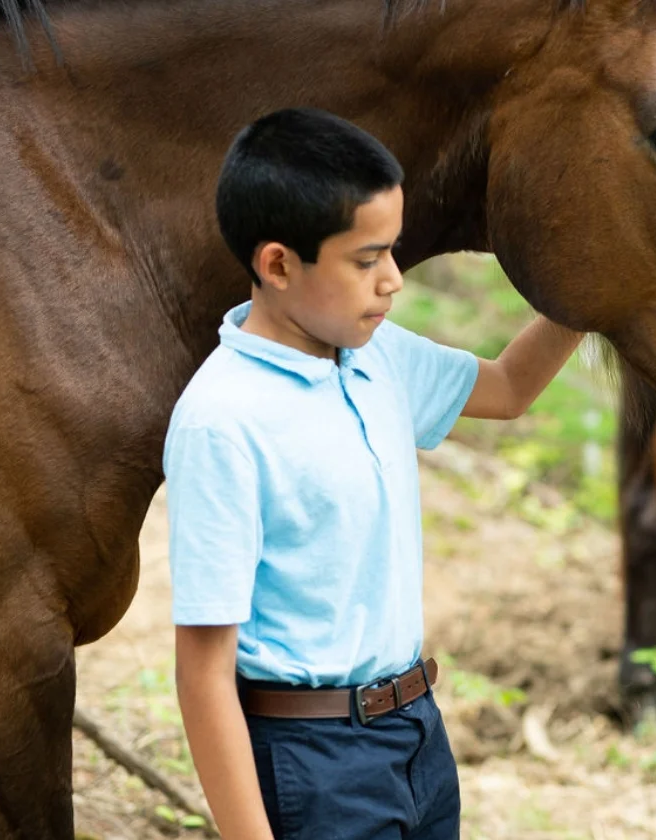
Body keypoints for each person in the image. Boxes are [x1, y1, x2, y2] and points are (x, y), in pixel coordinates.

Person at [164, 107, 585, 840]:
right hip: (311, 759)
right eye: (366, 260)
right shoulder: (223, 420)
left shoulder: (375, 355)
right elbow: (203, 676)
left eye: (392, 252)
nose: (392, 282)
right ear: (277, 264)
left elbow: (511, 388)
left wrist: (595, 293)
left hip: (417, 737)